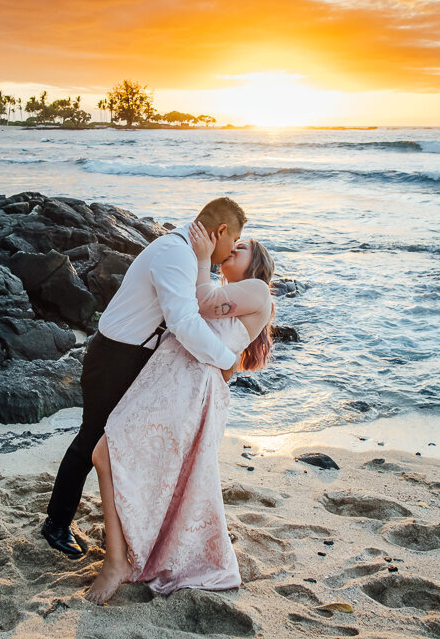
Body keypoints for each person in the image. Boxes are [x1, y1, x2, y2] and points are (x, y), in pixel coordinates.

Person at [41, 198, 247, 559]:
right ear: (221, 232)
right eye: (235, 241)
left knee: (130, 444)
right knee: (92, 439)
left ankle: (131, 528)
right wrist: (227, 359)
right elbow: (184, 322)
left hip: (137, 358)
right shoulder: (175, 253)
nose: (231, 251)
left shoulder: (186, 253)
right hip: (114, 358)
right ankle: (55, 523)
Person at [86, 224, 275, 603]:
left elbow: (202, 304)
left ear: (256, 263)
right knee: (118, 457)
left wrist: (204, 259)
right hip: (167, 379)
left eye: (242, 248)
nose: (232, 248)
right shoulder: (227, 290)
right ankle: (124, 556)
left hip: (188, 388)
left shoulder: (258, 290)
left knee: (106, 453)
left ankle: (117, 562)